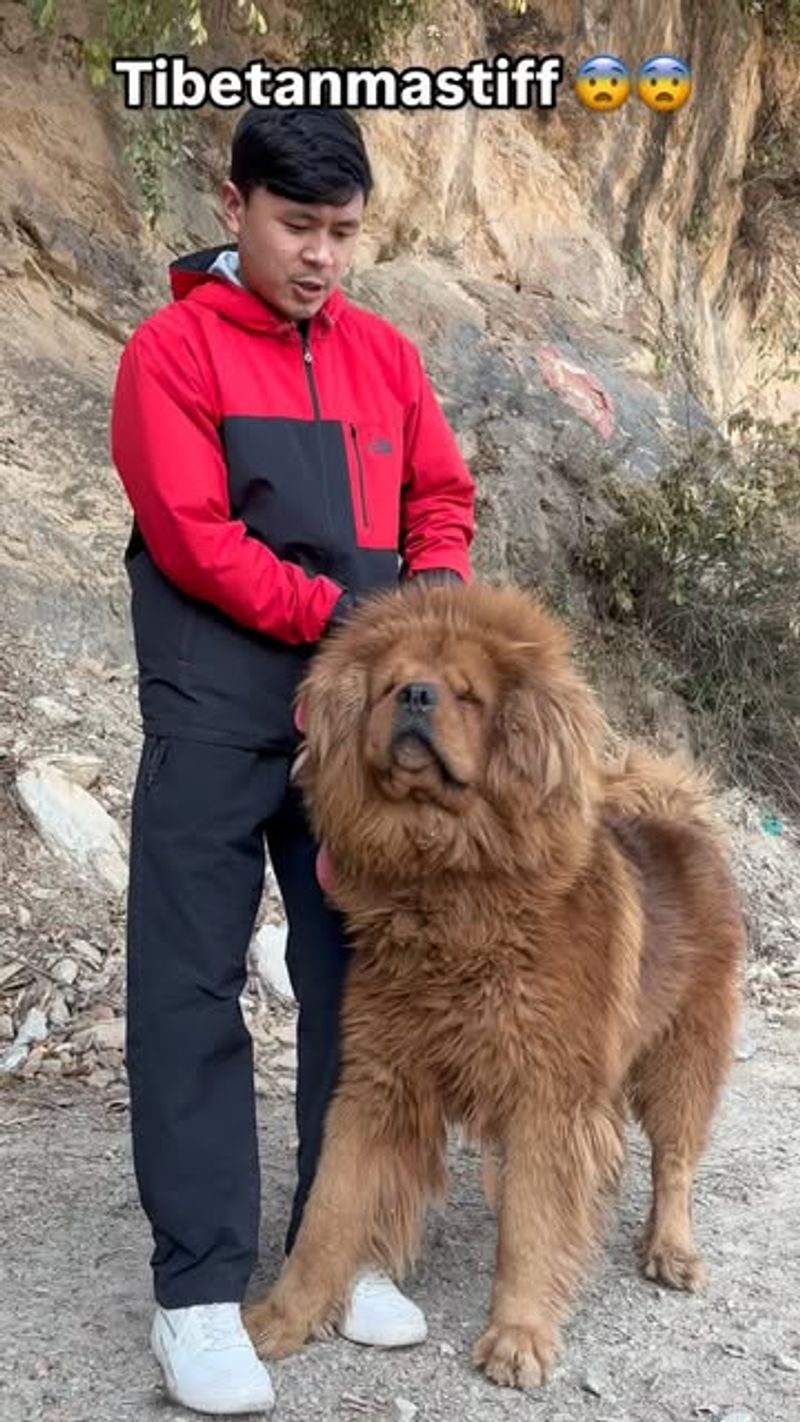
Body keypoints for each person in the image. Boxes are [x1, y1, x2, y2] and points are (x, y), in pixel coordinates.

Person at [110, 104, 475, 1416]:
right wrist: (352, 623)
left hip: (362, 730)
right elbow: (196, 536)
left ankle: (348, 1251)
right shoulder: (171, 353)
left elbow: (439, 495)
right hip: (219, 708)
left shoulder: (385, 357)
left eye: (343, 231)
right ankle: (199, 1291)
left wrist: (427, 611)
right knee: (191, 987)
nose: (323, 255)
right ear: (233, 205)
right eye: (297, 225)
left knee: (356, 986)